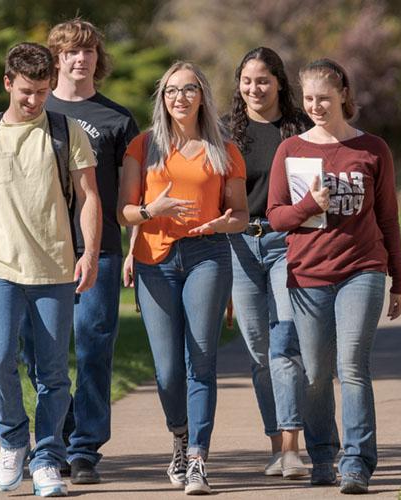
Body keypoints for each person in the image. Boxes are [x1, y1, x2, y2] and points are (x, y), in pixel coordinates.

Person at [0, 42, 101, 498]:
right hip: (1, 269)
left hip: (55, 269)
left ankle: (47, 457)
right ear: (8, 82)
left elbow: (89, 196)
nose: (34, 100)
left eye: (43, 92)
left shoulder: (66, 132)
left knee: (52, 374)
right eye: (26, 91)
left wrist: (88, 253)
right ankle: (12, 441)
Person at [266, 58, 401, 495]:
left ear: (344, 94)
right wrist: (310, 204)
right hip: (307, 274)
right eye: (308, 99)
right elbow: (275, 217)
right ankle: (323, 455)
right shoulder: (291, 150)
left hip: (362, 269)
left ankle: (357, 462)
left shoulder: (372, 149)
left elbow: (388, 216)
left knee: (352, 367)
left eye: (324, 98)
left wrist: (397, 279)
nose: (316, 107)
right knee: (314, 373)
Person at [118, 61, 249, 496]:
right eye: (171, 90)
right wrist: (154, 211)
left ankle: (197, 458)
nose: (180, 97)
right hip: (154, 259)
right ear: (162, 97)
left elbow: (241, 216)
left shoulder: (224, 150)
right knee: (168, 368)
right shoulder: (144, 146)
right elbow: (125, 211)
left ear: (202, 95)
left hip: (206, 256)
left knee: (202, 358)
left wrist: (221, 225)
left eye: (189, 89)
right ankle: (178, 435)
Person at [19, 18, 140, 485]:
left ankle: (85, 446)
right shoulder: (32, 109)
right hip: (41, 251)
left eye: (88, 51)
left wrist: (131, 249)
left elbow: (131, 193)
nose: (80, 58)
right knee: (37, 350)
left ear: (97, 59)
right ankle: (60, 431)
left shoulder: (117, 118)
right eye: (70, 51)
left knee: (94, 347)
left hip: (101, 249)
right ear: (56, 59)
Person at [224, 46, 314, 480]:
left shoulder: (299, 131)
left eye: (263, 80)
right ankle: (276, 445)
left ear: (279, 81)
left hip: (286, 244)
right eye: (247, 80)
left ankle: (294, 445)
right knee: (259, 351)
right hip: (239, 246)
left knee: (285, 344)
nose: (254, 88)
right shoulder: (225, 133)